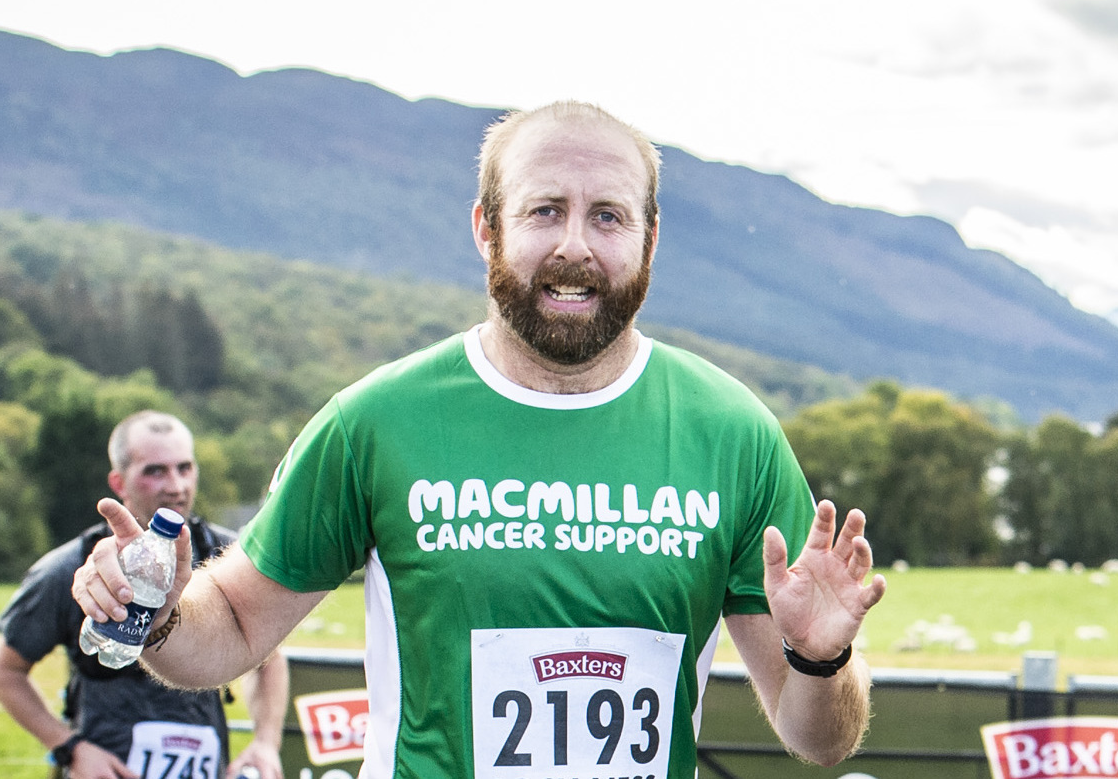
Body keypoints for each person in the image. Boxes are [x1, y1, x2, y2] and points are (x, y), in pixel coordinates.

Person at [73, 101, 887, 778]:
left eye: (608, 215)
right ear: (486, 229)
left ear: (649, 238)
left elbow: (820, 738)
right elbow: (238, 630)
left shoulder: (733, 434)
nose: (575, 245)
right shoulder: (375, 421)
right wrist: (159, 614)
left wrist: (821, 660)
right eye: (544, 211)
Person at [0, 411, 288, 779]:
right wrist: (70, 749)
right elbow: (4, 671)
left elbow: (269, 657)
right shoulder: (73, 569)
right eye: (155, 471)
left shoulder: (229, 557)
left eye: (184, 467)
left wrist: (265, 742)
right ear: (119, 482)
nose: (176, 485)